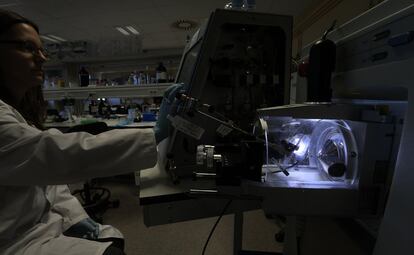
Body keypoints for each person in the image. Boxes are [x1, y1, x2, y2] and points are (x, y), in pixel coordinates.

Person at [0, 9, 160, 255]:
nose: (42, 58)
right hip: (12, 242)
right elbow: (56, 154)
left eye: (43, 50)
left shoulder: (18, 111)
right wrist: (155, 135)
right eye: (27, 47)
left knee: (111, 240)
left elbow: (47, 180)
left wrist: (75, 218)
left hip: (39, 227)